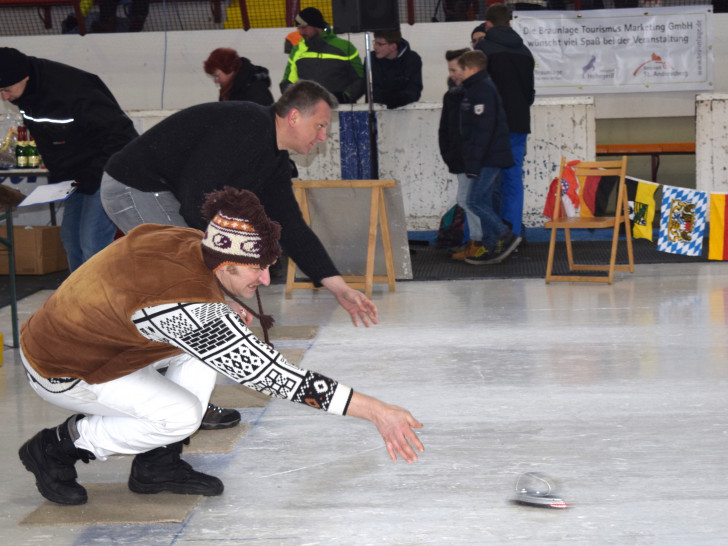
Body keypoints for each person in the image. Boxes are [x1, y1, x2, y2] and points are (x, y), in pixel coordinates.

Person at [17, 187, 424, 506]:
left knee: (209, 349)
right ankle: (57, 447)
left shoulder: (187, 240)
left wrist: (222, 302)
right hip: (65, 368)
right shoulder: (188, 307)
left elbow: (148, 277)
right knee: (181, 416)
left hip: (82, 337)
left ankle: (157, 466)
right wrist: (377, 411)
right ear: (224, 263)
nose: (266, 281)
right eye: (258, 269)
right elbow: (278, 378)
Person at [0, 47, 137, 272]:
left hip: (107, 169)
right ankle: (79, 299)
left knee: (92, 242)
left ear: (24, 77)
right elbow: (50, 141)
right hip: (76, 176)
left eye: (6, 89)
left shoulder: (73, 89)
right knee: (71, 241)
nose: (4, 97)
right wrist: (60, 181)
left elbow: (121, 137)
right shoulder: (26, 94)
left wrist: (91, 176)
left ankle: (102, 302)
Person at [475, 4, 535, 245]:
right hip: (519, 123)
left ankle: (491, 237)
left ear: (487, 24)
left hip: (491, 126)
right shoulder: (525, 52)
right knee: (513, 180)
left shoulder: (483, 50)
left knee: (484, 184)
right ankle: (513, 236)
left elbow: (478, 90)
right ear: (509, 24)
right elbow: (529, 94)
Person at [456, 50, 518, 266]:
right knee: (482, 200)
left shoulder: (481, 90)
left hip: (489, 157)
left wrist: (473, 164)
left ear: (472, 69)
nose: (459, 73)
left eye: (461, 69)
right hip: (487, 156)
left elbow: (483, 130)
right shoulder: (475, 89)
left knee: (472, 200)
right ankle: (492, 244)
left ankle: (505, 234)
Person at [280, 7, 365, 104]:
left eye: (303, 27)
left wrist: (345, 97)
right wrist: (295, 99)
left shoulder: (345, 47)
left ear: (317, 26)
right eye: (299, 28)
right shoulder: (297, 50)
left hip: (340, 110)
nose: (301, 32)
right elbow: (288, 81)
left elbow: (360, 79)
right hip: (308, 111)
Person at [369, 29, 423, 110]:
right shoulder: (370, 60)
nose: (375, 47)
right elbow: (371, 90)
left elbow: (414, 90)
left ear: (393, 47)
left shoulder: (412, 60)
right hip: (376, 111)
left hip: (407, 111)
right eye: (375, 42)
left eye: (379, 44)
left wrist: (399, 99)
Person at [203, 48, 274, 105]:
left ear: (230, 70)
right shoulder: (229, 89)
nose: (215, 81)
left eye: (217, 76)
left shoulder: (255, 90)